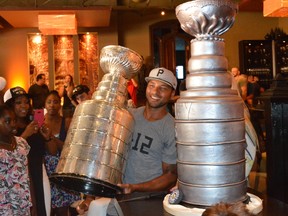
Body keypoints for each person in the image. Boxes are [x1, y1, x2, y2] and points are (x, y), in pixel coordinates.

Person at [76, 67, 178, 214]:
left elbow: (170, 176)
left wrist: (135, 187)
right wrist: (90, 196)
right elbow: (105, 153)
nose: (155, 92)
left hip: (149, 201)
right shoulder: (129, 116)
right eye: (152, 86)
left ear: (172, 93)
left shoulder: (171, 128)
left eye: (163, 88)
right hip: (118, 197)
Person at [4, 86, 51, 216]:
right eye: (18, 103)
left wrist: (47, 138)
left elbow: (49, 152)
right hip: (19, 176)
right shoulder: (7, 129)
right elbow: (9, 154)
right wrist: (26, 134)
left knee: (43, 209)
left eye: (26, 102)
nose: (24, 106)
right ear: (10, 106)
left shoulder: (33, 124)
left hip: (39, 172)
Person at [43, 90, 80, 215]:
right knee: (46, 207)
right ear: (45, 105)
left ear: (60, 104)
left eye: (55, 102)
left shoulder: (66, 122)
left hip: (61, 168)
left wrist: (51, 138)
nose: (52, 105)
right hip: (44, 169)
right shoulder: (39, 122)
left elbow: (69, 147)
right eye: (49, 102)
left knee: (62, 209)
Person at [0, 104, 32, 216]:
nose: (13, 124)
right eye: (8, 121)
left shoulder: (21, 143)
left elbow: (28, 177)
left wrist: (33, 206)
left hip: (22, 206)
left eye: (14, 120)